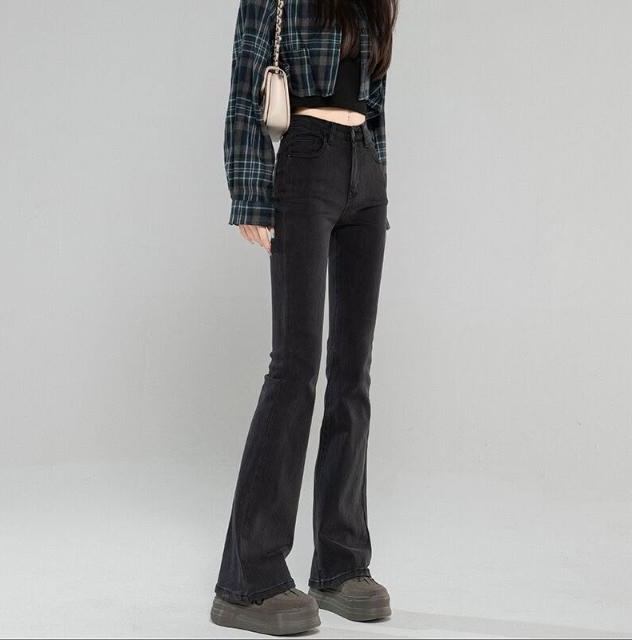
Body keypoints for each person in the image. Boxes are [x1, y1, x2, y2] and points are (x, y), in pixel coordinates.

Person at [211, 0, 397, 634]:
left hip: (364, 169)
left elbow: (376, 98)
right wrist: (249, 194)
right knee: (294, 367)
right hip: (306, 160)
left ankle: (341, 565)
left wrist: (377, 177)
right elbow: (246, 84)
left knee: (353, 373)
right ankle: (248, 580)